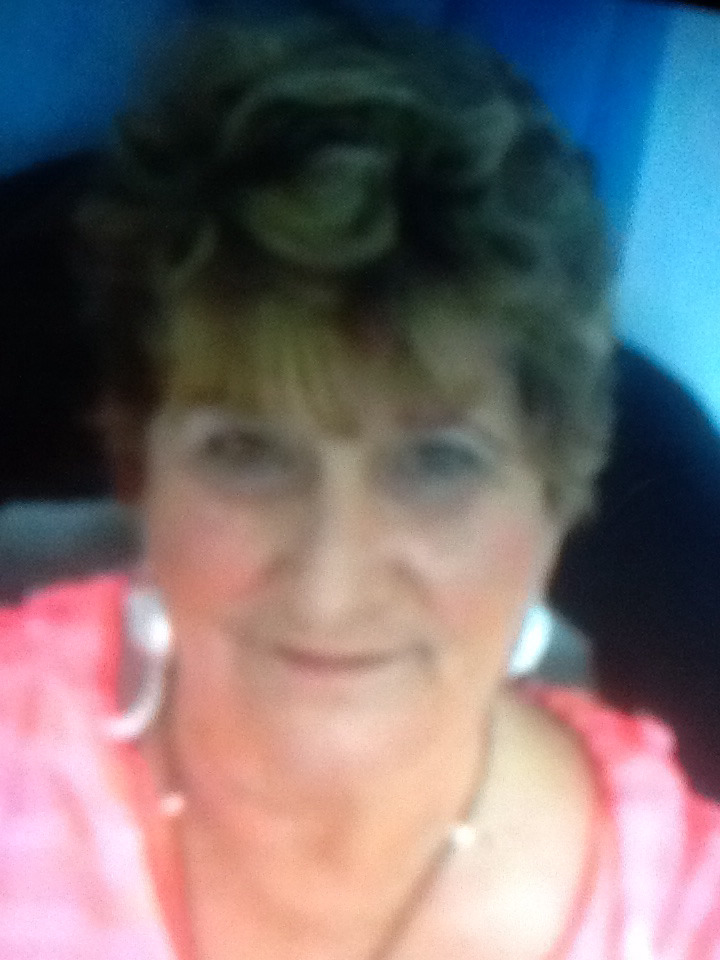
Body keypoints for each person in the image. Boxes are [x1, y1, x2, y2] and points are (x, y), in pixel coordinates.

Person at [1, 13, 718, 960]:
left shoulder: (684, 913)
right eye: (246, 452)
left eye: (436, 464)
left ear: (555, 492)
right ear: (141, 465)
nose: (328, 587)